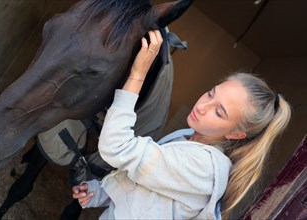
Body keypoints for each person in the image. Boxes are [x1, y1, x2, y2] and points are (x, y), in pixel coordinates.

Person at [72, 30, 291, 219]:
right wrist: (100, 192)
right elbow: (150, 185)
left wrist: (137, 75)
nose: (203, 106)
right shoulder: (188, 136)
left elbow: (117, 147)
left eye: (219, 112)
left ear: (235, 134)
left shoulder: (203, 168)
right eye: (210, 94)